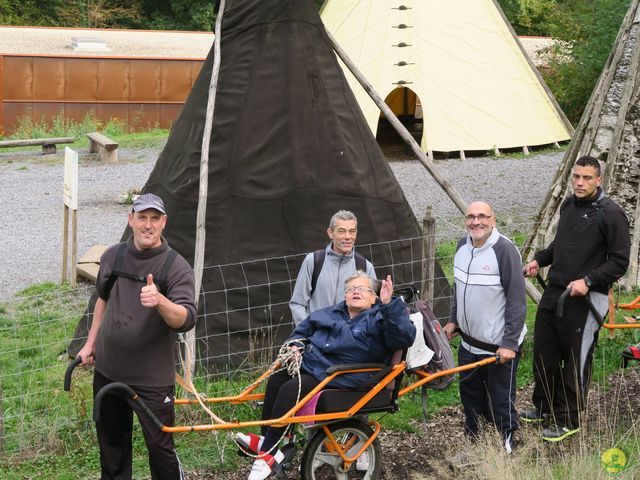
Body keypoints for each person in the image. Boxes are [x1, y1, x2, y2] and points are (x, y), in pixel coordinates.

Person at [237, 271, 416, 480]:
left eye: (362, 289)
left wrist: (389, 305)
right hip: (315, 366)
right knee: (277, 379)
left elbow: (403, 338)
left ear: (373, 297)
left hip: (344, 376)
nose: (355, 292)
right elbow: (301, 331)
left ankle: (267, 452)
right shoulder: (329, 313)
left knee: (290, 389)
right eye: (351, 289)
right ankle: (272, 441)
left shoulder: (381, 317)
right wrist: (295, 346)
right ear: (345, 295)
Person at [77, 193, 197, 480]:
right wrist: (90, 344)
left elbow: (187, 318)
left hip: (152, 382)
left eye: (155, 219)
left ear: (164, 223)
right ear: (130, 219)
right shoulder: (113, 256)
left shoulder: (175, 267)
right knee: (112, 448)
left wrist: (160, 301)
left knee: (161, 450)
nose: (148, 225)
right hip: (109, 372)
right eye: (142, 217)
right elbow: (102, 300)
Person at [522, 155, 630, 441]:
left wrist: (589, 280)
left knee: (576, 360)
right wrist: (539, 260)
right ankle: (544, 407)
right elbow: (561, 245)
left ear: (599, 180)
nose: (580, 183)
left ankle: (569, 419)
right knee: (544, 353)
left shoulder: (611, 213)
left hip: (586, 299)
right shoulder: (569, 205)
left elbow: (620, 262)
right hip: (556, 292)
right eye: (576, 177)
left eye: (586, 178)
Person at [444, 201, 526, 454]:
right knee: (470, 398)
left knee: (500, 400)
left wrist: (510, 343)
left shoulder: (505, 251)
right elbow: (459, 288)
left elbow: (516, 301)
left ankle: (506, 447)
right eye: (470, 216)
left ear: (493, 220)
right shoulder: (462, 247)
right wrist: (453, 320)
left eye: (482, 216)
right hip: (469, 343)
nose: (475, 221)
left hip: (498, 348)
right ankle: (475, 445)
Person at [289, 210, 376, 325]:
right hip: (316, 339)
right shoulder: (314, 262)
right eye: (341, 231)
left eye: (352, 231)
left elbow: (373, 306)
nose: (347, 237)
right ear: (330, 233)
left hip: (351, 340)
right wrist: (308, 332)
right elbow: (297, 304)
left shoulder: (365, 267)